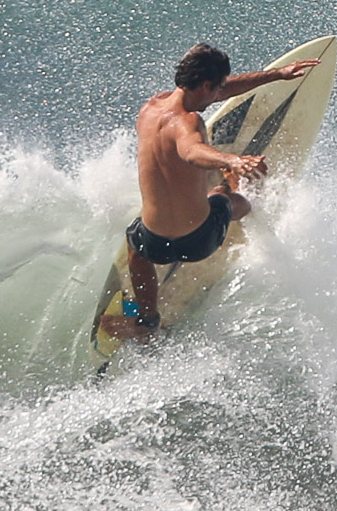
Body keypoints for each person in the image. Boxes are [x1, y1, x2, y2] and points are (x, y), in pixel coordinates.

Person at [102, 43, 320, 341]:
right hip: (198, 241)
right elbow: (192, 151)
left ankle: (147, 321)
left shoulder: (150, 109)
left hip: (153, 242)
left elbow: (222, 91)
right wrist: (234, 161)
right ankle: (238, 194)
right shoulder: (188, 122)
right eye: (216, 89)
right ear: (204, 85)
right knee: (225, 196)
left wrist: (276, 75)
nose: (220, 95)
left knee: (135, 248)